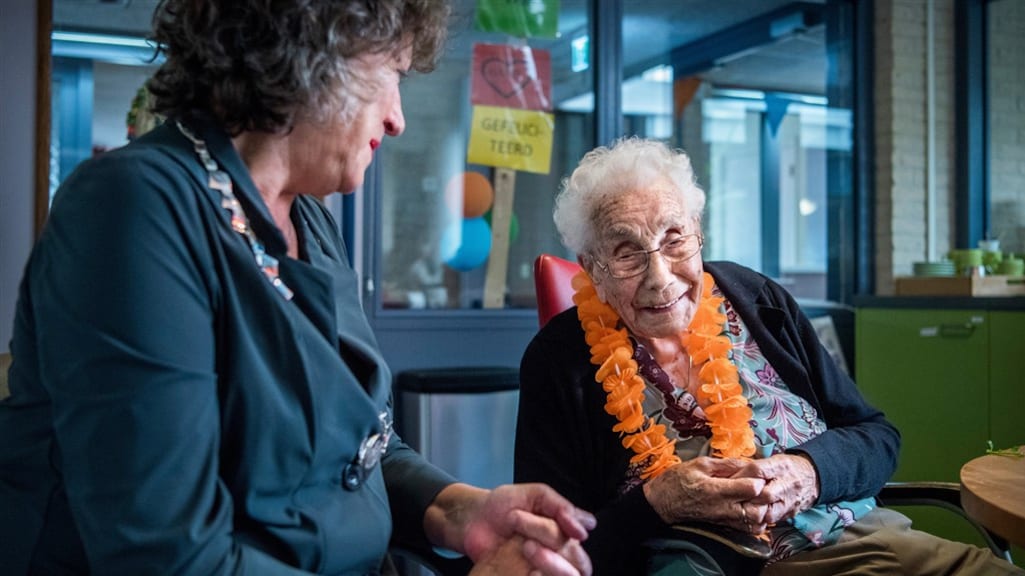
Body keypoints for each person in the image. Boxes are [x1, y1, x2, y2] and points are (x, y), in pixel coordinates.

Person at [0, 1, 595, 574]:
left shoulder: (308, 219)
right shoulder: (132, 209)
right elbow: (170, 557)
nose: (397, 117)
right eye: (391, 74)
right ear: (316, 52)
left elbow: (362, 447)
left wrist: (460, 510)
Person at [514, 137, 1024, 576]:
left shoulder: (757, 299)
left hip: (861, 543)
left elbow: (876, 436)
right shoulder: (558, 363)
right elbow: (551, 549)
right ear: (591, 267)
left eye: (675, 240)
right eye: (627, 252)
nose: (660, 278)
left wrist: (810, 471)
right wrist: (655, 503)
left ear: (699, 232)